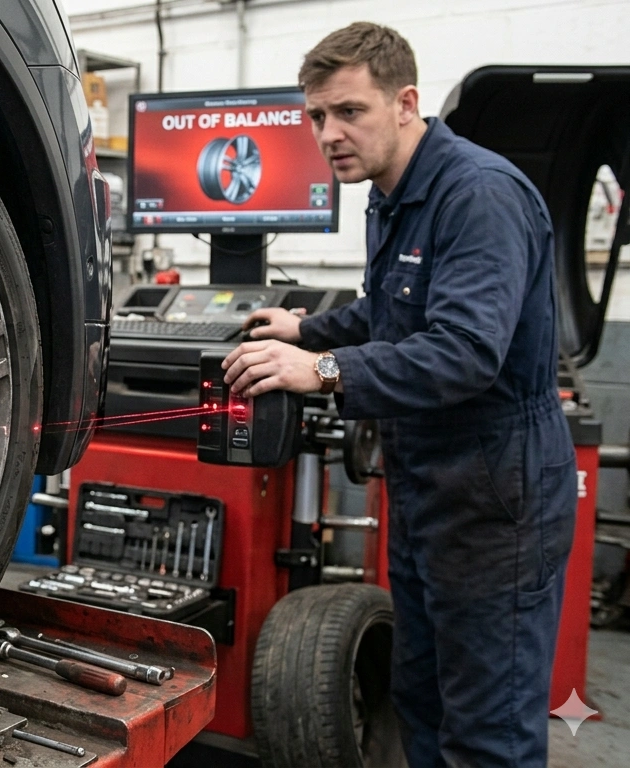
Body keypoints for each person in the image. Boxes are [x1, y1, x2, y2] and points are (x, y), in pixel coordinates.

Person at [221, 21, 578, 767]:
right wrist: (307, 328)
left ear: (405, 101)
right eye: (318, 116)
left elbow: (465, 352)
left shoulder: (477, 195)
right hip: (425, 489)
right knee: (422, 697)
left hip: (494, 500)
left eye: (350, 111)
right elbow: (394, 312)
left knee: (487, 730)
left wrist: (316, 371)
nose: (329, 134)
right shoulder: (393, 194)